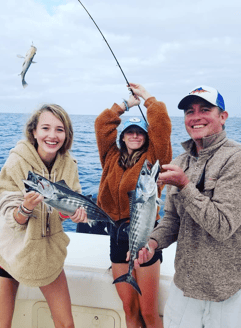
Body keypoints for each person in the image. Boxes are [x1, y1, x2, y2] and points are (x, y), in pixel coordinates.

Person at [134, 85, 241, 328]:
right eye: (189, 111)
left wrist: (184, 185)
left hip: (225, 292)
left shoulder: (236, 158)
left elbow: (223, 226)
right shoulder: (180, 161)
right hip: (184, 286)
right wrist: (152, 243)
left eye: (205, 109)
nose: (195, 117)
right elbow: (172, 220)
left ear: (223, 117)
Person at [0, 104, 87, 328]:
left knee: (66, 325)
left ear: (67, 135)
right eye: (45, 128)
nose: (52, 135)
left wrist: (71, 215)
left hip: (47, 255)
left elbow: (72, 203)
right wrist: (24, 209)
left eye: (59, 129)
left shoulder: (70, 165)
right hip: (10, 252)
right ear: (34, 131)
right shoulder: (16, 161)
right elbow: (8, 209)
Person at [95, 83, 172, 328]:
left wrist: (147, 98)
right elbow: (101, 124)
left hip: (145, 236)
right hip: (116, 235)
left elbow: (161, 125)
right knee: (129, 310)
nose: (135, 135)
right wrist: (125, 105)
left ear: (146, 136)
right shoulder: (110, 157)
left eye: (140, 132)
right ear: (122, 136)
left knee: (149, 312)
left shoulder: (154, 160)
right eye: (130, 131)